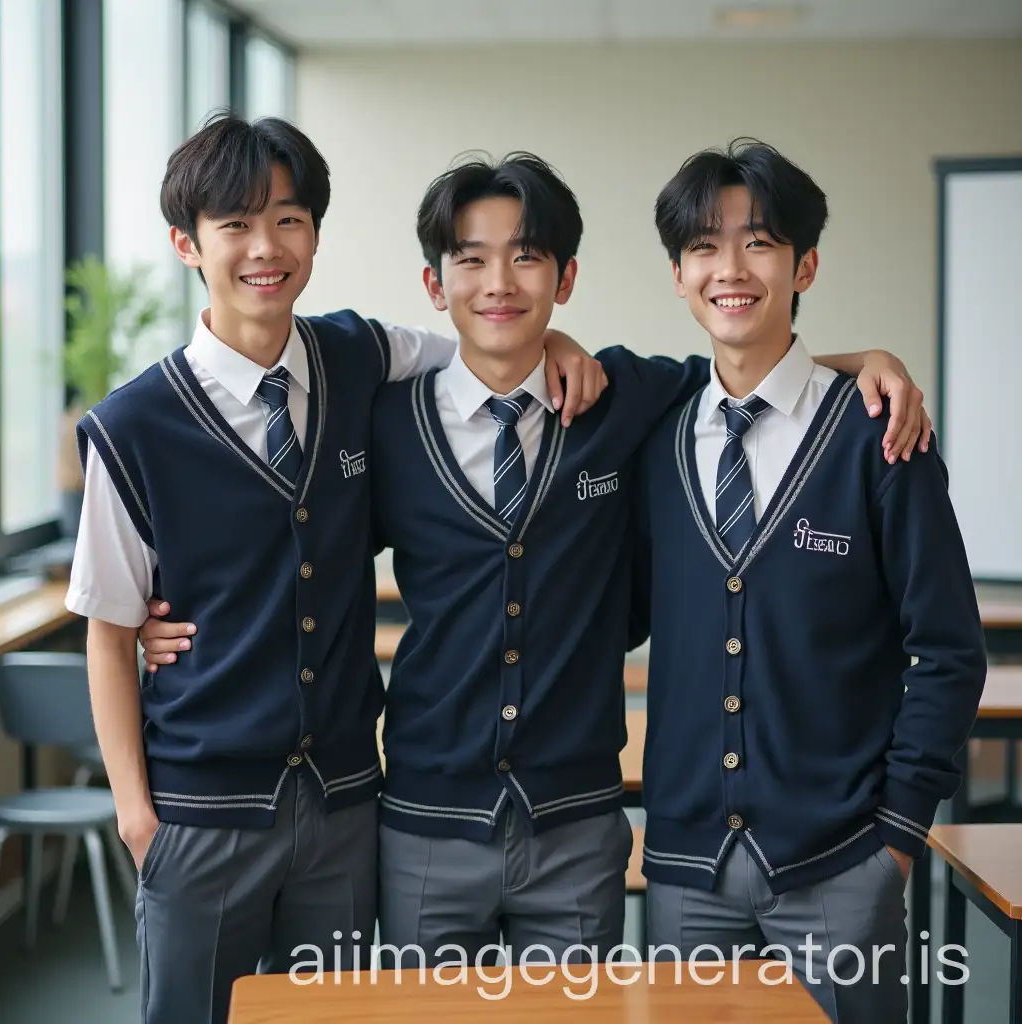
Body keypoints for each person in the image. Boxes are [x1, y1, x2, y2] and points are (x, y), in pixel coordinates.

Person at [138, 151, 929, 970]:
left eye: (526, 257)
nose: (500, 283)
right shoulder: (384, 420)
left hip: (576, 823)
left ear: (566, 277)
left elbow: (743, 372)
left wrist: (867, 364)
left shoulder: (621, 400)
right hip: (425, 823)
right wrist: (153, 625)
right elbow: (293, 549)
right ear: (435, 286)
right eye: (471, 260)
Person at [65, 115, 603, 1024]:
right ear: (187, 244)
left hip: (347, 806)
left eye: (288, 218)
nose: (264, 248)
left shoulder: (359, 355)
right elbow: (111, 634)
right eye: (234, 224)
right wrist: (137, 820)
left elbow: (484, 351)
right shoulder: (133, 427)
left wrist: (557, 345)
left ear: (314, 231)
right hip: (203, 812)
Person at [634, 139, 986, 1022]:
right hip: (685, 877)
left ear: (806, 264)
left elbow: (945, 649)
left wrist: (898, 838)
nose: (732, 269)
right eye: (705, 247)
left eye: (759, 242)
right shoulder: (654, 436)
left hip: (840, 866)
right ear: (678, 274)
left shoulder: (880, 437)